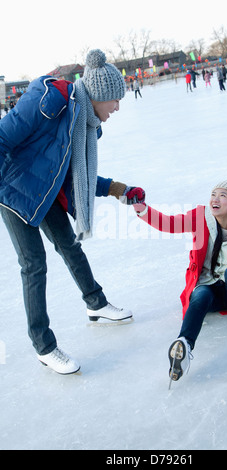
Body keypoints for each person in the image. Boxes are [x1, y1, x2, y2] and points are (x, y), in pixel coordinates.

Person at [0, 49, 145, 375]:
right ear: (100, 95)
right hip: (13, 190)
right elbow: (2, 138)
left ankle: (96, 304)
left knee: (69, 245)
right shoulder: (49, 98)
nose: (118, 108)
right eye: (115, 101)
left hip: (44, 190)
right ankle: (44, 346)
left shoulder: (86, 126)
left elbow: (75, 174)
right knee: (33, 264)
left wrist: (118, 189)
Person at [133, 179, 227, 383]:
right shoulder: (199, 218)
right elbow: (168, 223)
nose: (215, 199)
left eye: (222, 195)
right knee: (200, 293)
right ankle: (184, 345)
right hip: (210, 288)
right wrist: (140, 207)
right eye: (213, 194)